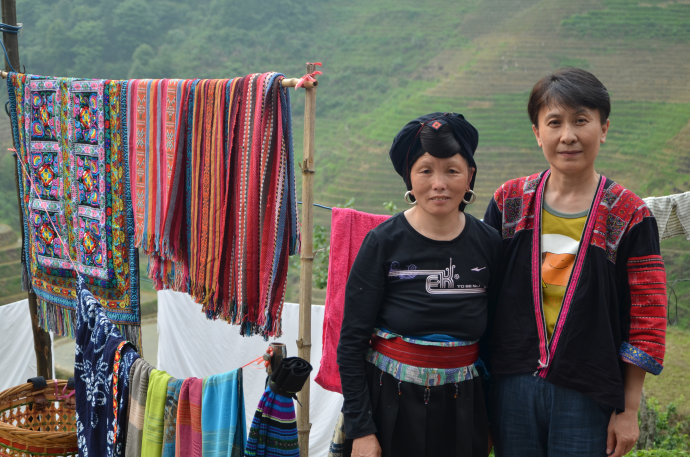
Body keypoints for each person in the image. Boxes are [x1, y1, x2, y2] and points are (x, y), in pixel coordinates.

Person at [483, 68, 668, 457]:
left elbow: (647, 315)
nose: (568, 135)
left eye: (581, 120)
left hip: (589, 390)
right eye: (554, 123)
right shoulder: (509, 202)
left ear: (604, 128)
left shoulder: (629, 214)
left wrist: (628, 409)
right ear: (537, 132)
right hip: (512, 385)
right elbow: (483, 295)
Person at [337, 112, 502, 457]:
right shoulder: (382, 242)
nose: (439, 183)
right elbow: (351, 343)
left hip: (465, 408)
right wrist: (361, 429)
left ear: (470, 176)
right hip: (390, 406)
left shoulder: (489, 243)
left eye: (452, 170)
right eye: (425, 170)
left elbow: (497, 342)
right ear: (409, 179)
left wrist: (491, 420)